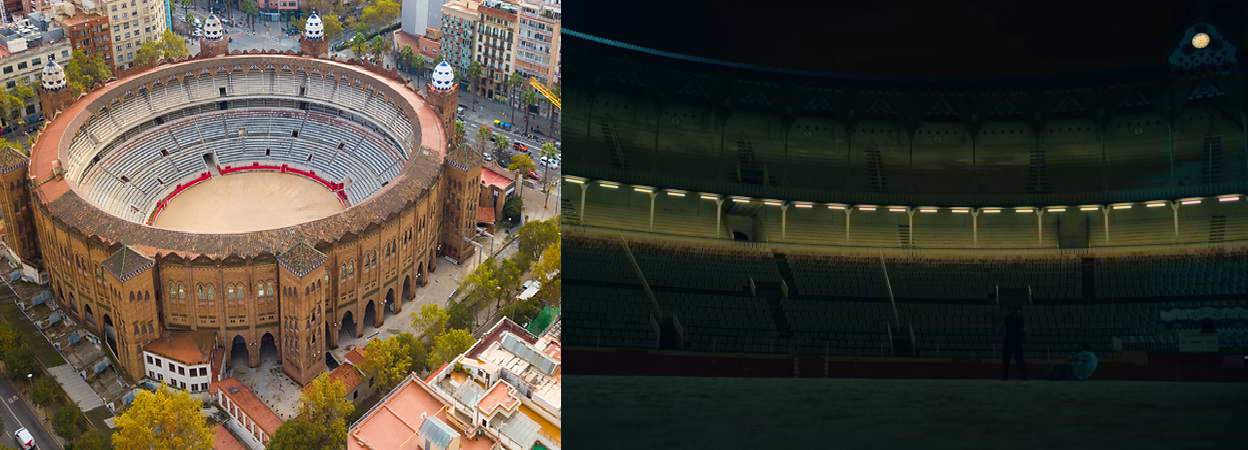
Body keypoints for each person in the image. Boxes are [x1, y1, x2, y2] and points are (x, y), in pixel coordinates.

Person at [1001, 306, 1027, 380]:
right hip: (1012, 341)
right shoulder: (1019, 318)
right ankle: (1022, 376)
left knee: (1015, 360)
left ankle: (1006, 377)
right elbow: (1023, 330)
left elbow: (1003, 327)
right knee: (1015, 360)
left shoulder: (1009, 318)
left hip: (1011, 341)